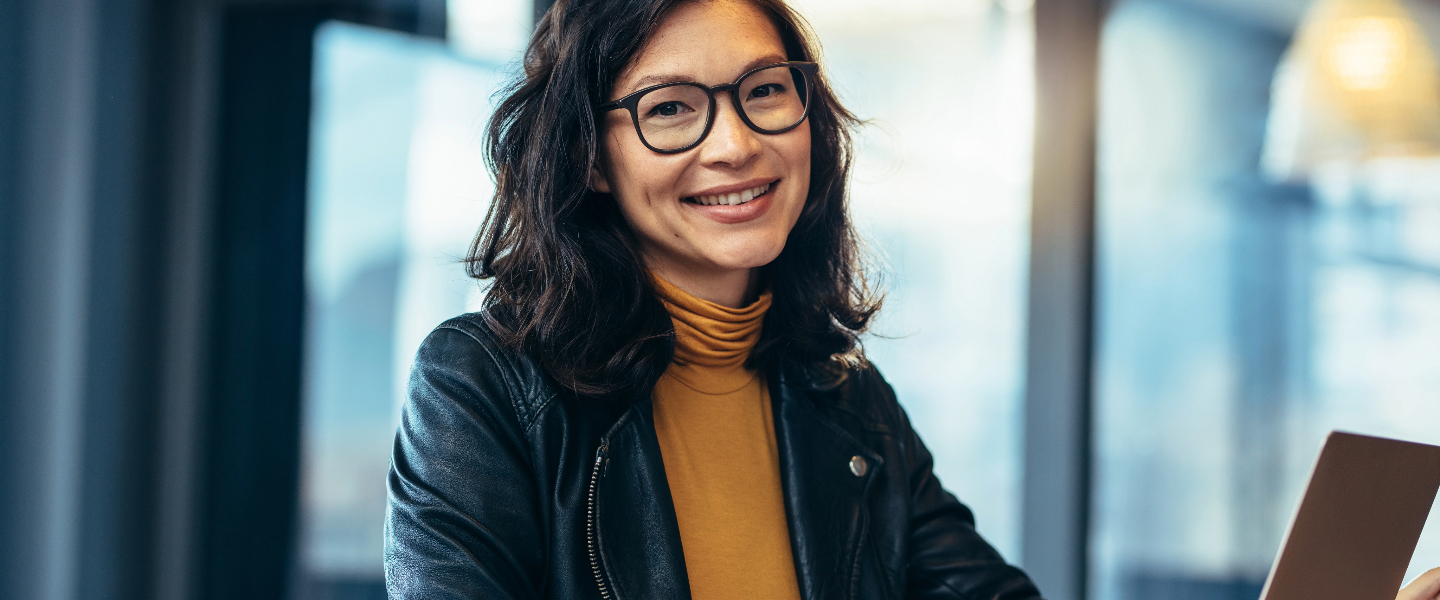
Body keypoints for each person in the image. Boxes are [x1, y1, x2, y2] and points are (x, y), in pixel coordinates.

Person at [382, 0, 1440, 599]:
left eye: (763, 91)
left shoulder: (844, 401)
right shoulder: (481, 385)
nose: (735, 142)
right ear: (595, 158)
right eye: (669, 109)